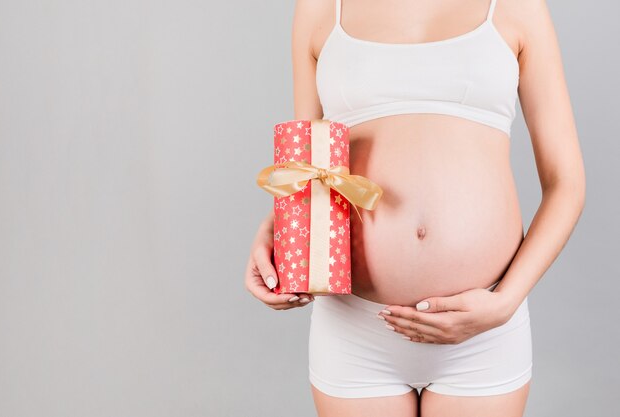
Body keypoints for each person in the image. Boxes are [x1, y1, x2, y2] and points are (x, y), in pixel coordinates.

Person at [244, 0, 585, 416]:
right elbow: (308, 165)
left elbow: (566, 184)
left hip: (483, 329)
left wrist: (505, 303)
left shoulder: (517, 7)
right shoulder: (319, 7)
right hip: (355, 327)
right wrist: (275, 229)